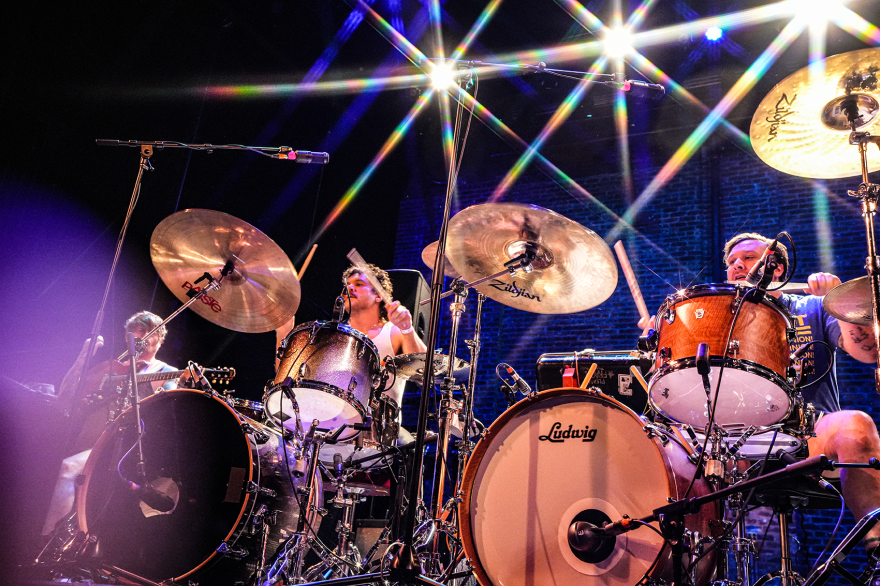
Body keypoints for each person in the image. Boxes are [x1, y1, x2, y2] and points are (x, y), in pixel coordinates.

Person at [644, 233, 880, 558]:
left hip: (806, 439)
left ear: (777, 268)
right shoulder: (713, 319)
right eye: (731, 263)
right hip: (728, 447)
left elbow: (868, 353)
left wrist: (841, 307)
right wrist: (662, 339)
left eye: (748, 258)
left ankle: (879, 554)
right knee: (664, 452)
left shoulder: (812, 307)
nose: (737, 265)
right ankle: (685, 566)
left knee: (856, 426)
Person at [41, 311, 183, 537]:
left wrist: (181, 384)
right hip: (84, 440)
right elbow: (65, 398)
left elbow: (169, 408)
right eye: (138, 330)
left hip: (121, 450)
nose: (143, 335)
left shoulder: (164, 372)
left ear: (160, 339)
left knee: (68, 468)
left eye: (150, 331)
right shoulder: (110, 368)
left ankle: (44, 539)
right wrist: (83, 356)